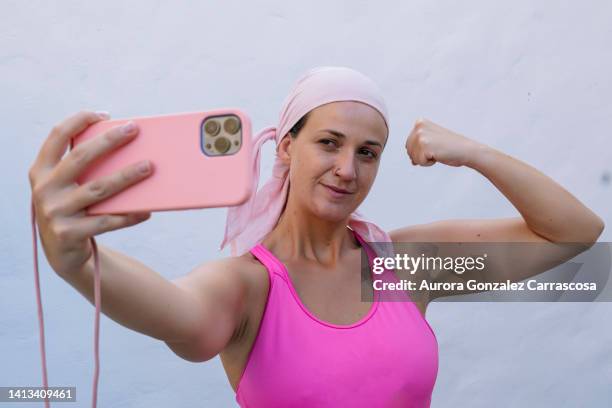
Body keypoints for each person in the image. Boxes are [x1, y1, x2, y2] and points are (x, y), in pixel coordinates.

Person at [29, 66, 605, 407]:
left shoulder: (403, 265)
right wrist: (79, 263)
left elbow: (575, 233)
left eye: (368, 153)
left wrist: (474, 154)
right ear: (286, 147)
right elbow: (176, 312)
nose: (347, 170)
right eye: (329, 143)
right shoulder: (248, 288)